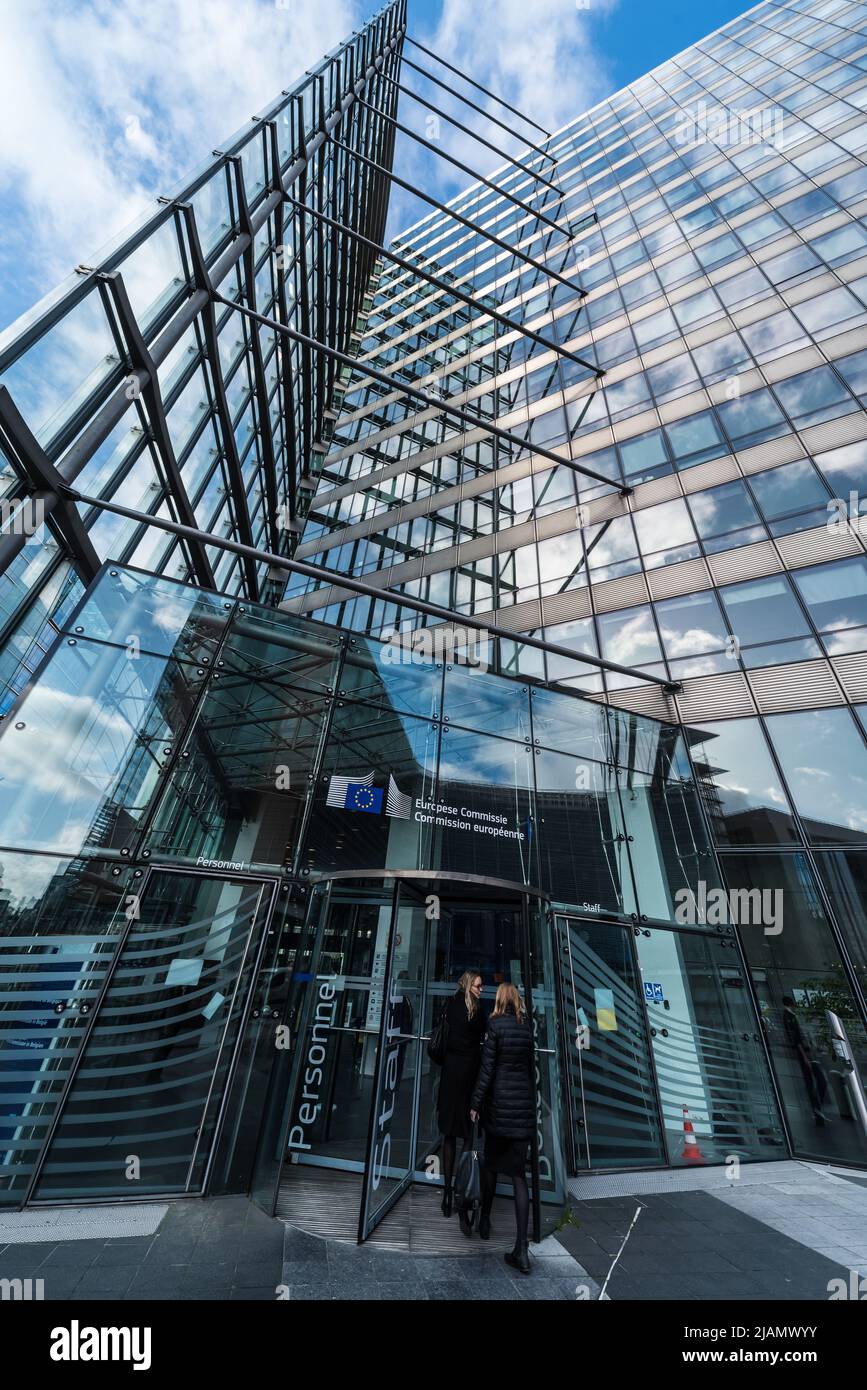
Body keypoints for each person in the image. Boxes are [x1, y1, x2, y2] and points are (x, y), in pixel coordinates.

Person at [471, 982, 534, 1275]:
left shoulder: (495, 1026)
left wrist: (475, 1103)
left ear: (499, 1000)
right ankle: (522, 1248)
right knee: (519, 1176)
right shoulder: (526, 1028)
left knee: (491, 1166)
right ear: (517, 1000)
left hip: (499, 1107)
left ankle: (484, 1219)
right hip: (521, 1110)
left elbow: (487, 1069)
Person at [436, 970, 485, 1217]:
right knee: (466, 1133)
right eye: (478, 986)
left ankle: (445, 1193)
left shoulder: (449, 1003)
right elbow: (482, 1037)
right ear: (469, 986)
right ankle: (461, 1190)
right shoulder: (476, 1009)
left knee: (448, 1133)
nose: (481, 989)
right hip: (468, 1075)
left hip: (449, 1073)